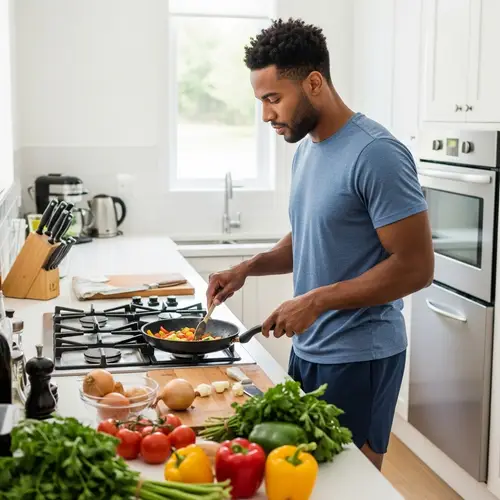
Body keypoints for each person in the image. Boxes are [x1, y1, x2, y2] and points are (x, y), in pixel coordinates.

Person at [206, 18, 434, 470]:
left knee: (351, 484)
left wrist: (316, 300)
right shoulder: (308, 148)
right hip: (310, 348)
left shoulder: (377, 155)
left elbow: (415, 267)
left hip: (360, 355)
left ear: (314, 83)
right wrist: (247, 267)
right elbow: (314, 237)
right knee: (308, 478)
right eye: (262, 101)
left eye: (274, 99)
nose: (267, 114)